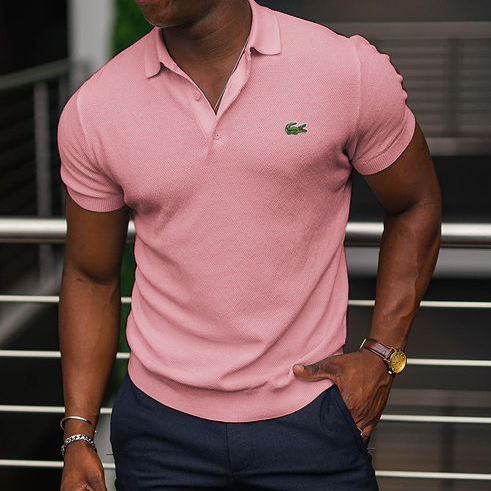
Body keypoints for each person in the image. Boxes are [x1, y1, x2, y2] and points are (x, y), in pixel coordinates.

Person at [57, 0, 441, 489]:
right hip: (160, 435)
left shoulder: (345, 70)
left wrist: (383, 354)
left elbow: (415, 203)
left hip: (311, 419)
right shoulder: (95, 108)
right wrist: (79, 433)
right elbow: (90, 276)